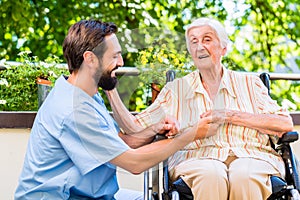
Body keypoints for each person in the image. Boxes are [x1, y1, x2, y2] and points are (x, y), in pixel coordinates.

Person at [14, 19, 218, 200]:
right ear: (90, 59)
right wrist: (191, 133)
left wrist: (154, 130)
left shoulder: (86, 94)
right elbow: (133, 163)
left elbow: (120, 143)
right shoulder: (73, 110)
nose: (120, 63)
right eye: (115, 56)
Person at [106, 17, 294, 199]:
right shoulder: (176, 90)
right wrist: (110, 88)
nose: (199, 47)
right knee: (210, 175)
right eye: (193, 42)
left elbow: (285, 124)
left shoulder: (250, 84)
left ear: (224, 48)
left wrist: (230, 115)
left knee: (244, 174)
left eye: (207, 39)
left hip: (253, 156)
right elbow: (131, 134)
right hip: (196, 160)